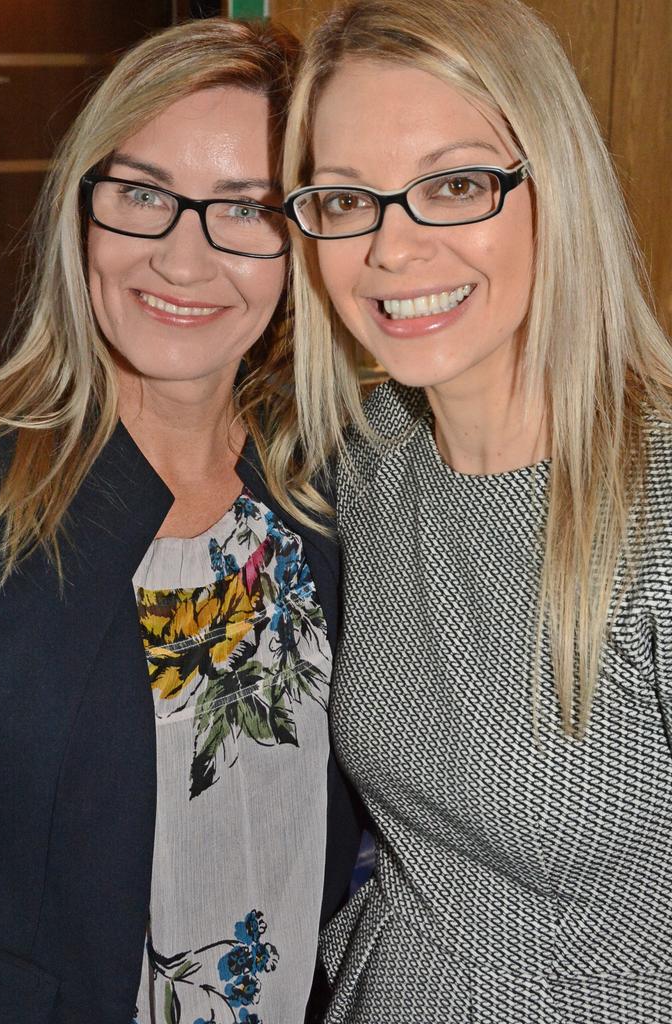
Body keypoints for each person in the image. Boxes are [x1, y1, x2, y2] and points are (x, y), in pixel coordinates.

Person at [0, 18, 362, 1024]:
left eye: (246, 211)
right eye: (146, 194)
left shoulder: (324, 483)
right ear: (85, 208)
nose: (183, 261)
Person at [281, 0, 672, 1020]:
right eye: (346, 199)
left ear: (558, 189)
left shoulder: (657, 508)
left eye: (453, 185)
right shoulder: (372, 460)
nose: (392, 250)